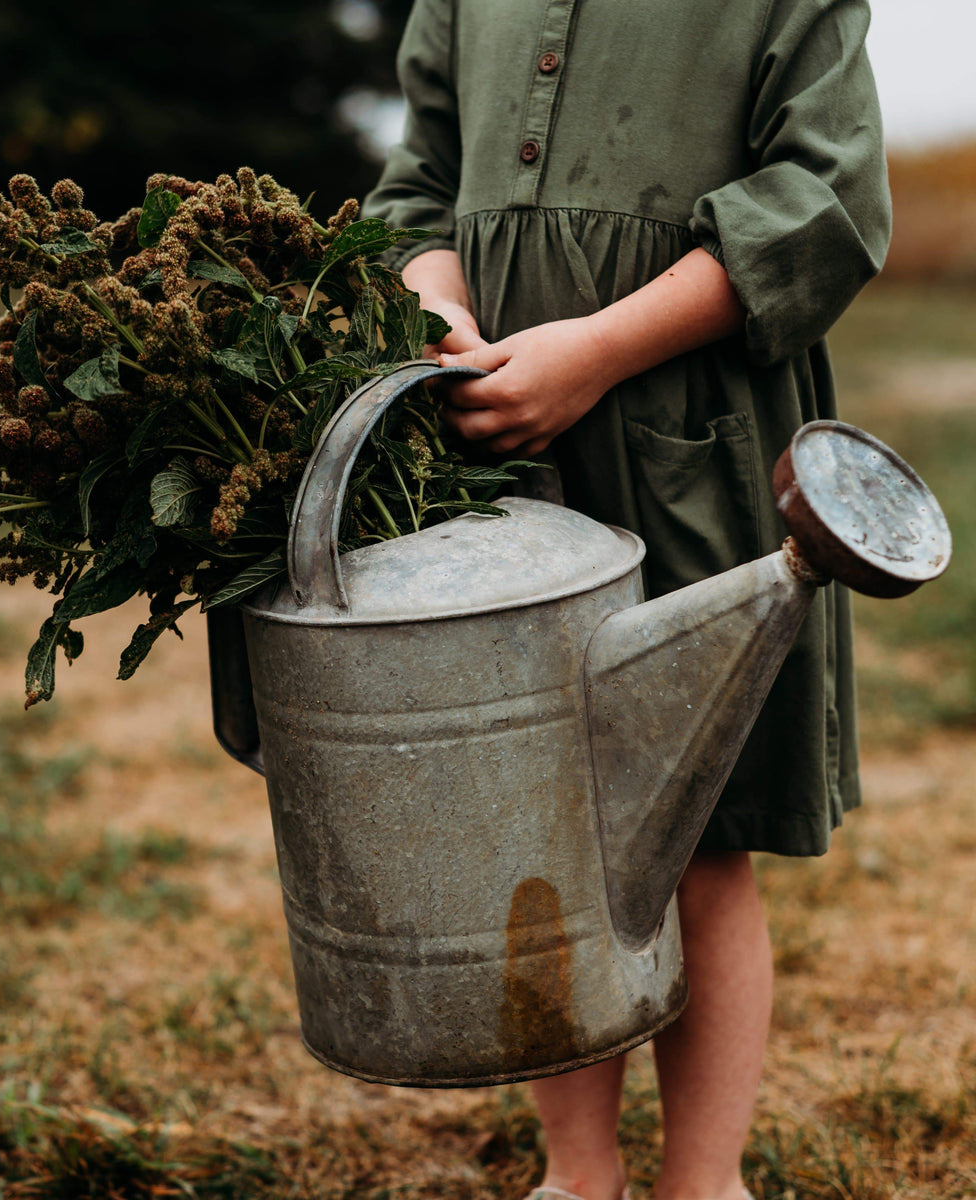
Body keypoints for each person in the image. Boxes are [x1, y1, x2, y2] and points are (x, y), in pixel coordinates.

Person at [361, 1, 892, 1198]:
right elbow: (416, 193)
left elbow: (831, 198)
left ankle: (704, 1181)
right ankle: (577, 1174)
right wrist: (443, 317)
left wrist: (596, 348)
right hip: (504, 454)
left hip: (693, 453)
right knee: (546, 825)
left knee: (697, 834)